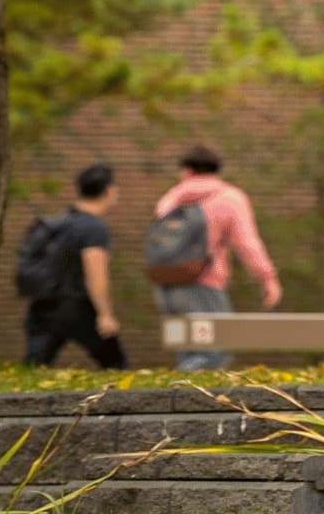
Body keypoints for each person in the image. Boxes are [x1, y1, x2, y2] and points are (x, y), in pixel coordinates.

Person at [150, 144, 283, 372]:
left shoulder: (171, 198)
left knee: (188, 348)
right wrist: (267, 277)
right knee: (216, 349)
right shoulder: (229, 197)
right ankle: (179, 389)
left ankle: (181, 396)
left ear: (187, 170)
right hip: (204, 283)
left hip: (166, 282)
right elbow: (247, 242)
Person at [23, 164, 127, 369]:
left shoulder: (60, 223)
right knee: (116, 364)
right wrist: (105, 315)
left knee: (35, 365)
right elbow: (95, 273)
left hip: (43, 302)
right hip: (76, 305)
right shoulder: (94, 228)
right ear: (108, 190)